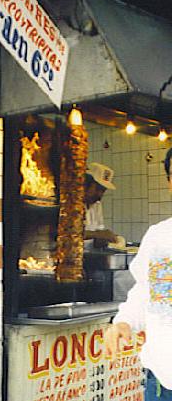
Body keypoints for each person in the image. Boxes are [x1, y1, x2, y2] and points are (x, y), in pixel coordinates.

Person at [104, 147, 172, 401]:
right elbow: (147, 292)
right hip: (163, 380)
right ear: (169, 182)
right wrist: (125, 321)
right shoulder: (159, 236)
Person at [84, 162, 118, 248]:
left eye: (103, 191)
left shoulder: (97, 204)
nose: (100, 195)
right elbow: (69, 234)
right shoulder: (71, 205)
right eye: (98, 189)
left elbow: (99, 232)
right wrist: (97, 234)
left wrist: (108, 238)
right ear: (86, 183)